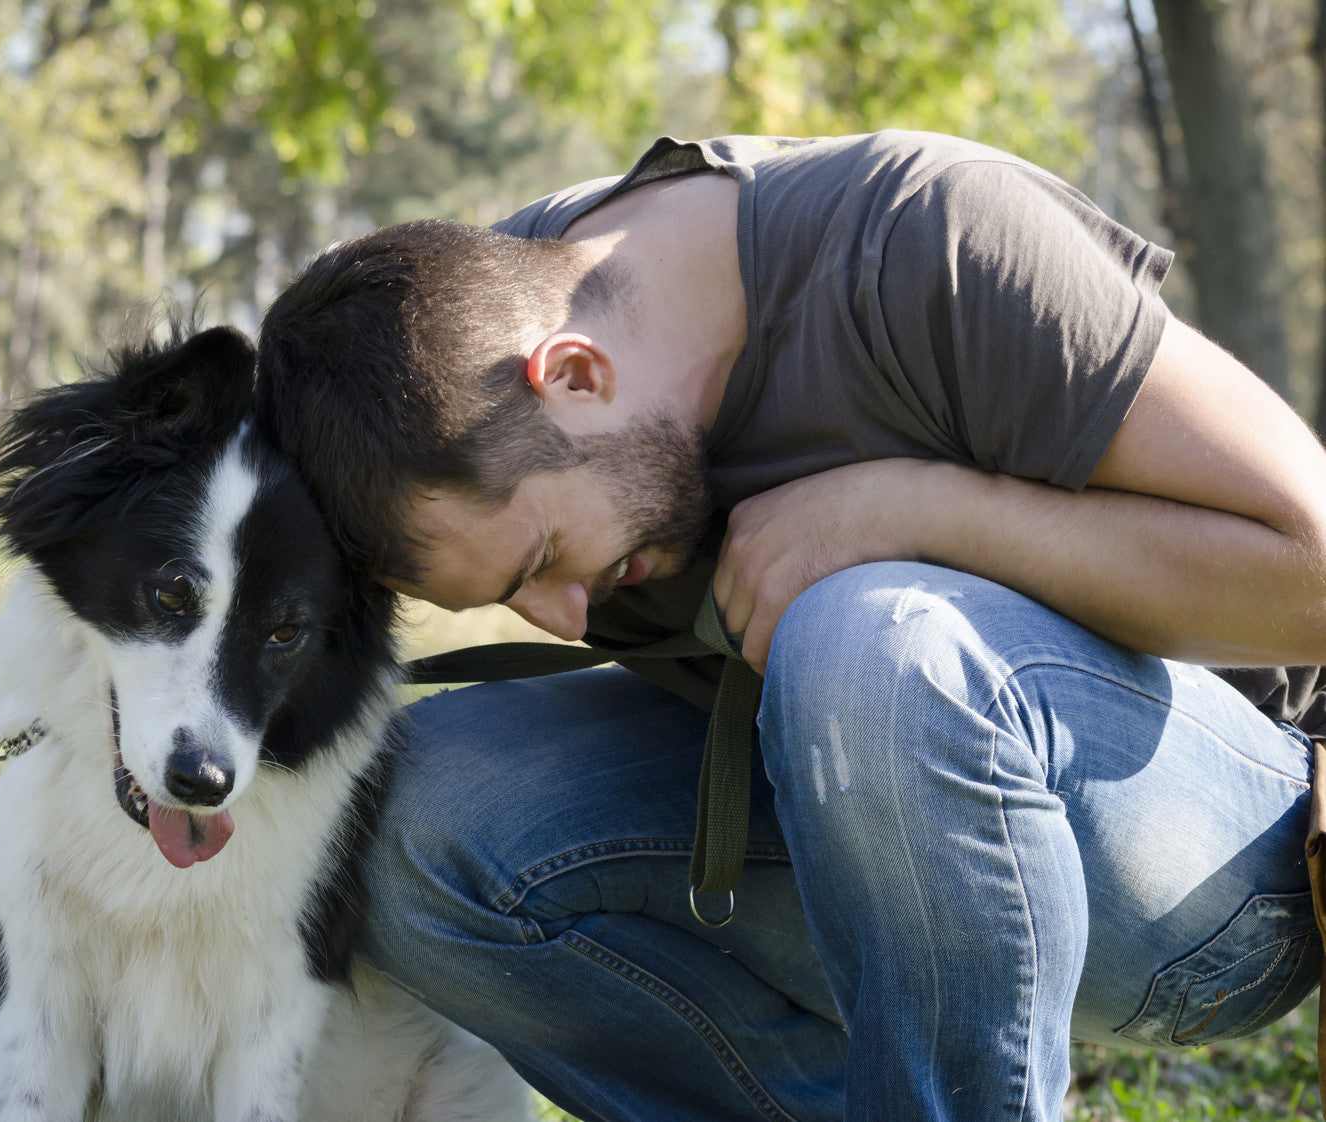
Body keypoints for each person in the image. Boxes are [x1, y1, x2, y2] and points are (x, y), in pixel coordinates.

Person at [253, 132, 1326, 1121]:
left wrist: (918, 512)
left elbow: (1313, 572)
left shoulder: (926, 241)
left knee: (869, 640)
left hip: (1211, 864)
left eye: (540, 562)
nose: (570, 620)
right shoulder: (442, 336)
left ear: (574, 376)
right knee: (404, 819)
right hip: (846, 841)